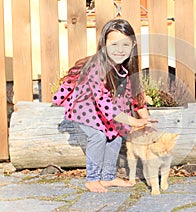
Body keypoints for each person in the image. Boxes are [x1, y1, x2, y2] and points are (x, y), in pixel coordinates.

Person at [53, 19, 156, 193]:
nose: (120, 50)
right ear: (104, 44)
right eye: (114, 44)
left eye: (125, 44)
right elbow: (105, 105)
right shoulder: (97, 67)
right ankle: (92, 179)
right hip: (84, 109)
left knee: (115, 137)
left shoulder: (127, 68)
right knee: (99, 137)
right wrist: (132, 121)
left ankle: (108, 177)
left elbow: (137, 98)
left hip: (102, 112)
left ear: (133, 45)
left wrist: (145, 120)